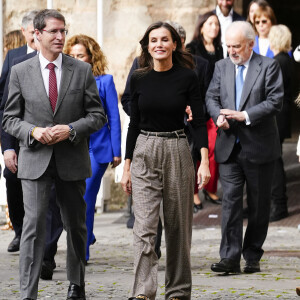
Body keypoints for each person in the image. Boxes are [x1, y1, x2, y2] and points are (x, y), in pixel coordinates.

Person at [2, 9, 106, 300]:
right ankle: (28, 293)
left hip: (72, 159)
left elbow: (98, 116)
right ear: (37, 34)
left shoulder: (81, 70)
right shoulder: (19, 71)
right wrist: (33, 132)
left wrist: (71, 129)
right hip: (34, 159)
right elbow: (9, 118)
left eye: (63, 31)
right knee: (33, 229)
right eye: (54, 31)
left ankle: (76, 284)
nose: (61, 36)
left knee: (75, 225)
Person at [121, 21, 210, 300]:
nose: (158, 44)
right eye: (153, 40)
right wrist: (127, 166)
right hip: (145, 149)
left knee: (177, 227)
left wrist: (204, 160)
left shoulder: (187, 77)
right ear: (147, 46)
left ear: (174, 44)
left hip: (177, 148)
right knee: (144, 227)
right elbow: (134, 124)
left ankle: (178, 291)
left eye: (164, 39)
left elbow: (199, 121)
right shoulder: (138, 77)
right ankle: (143, 292)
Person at [206, 21, 283, 274]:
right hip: (229, 147)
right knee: (229, 203)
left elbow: (275, 101)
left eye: (237, 46)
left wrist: (243, 115)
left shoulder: (269, 66)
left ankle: (252, 254)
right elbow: (211, 97)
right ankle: (229, 257)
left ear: (251, 44)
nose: (231, 51)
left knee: (259, 206)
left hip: (259, 147)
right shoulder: (221, 66)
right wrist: (218, 115)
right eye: (228, 46)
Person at [1, 34, 64, 281]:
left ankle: (47, 255)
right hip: (25, 145)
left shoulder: (71, 68)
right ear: (35, 35)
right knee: (30, 211)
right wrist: (8, 146)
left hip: (62, 150)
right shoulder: (16, 63)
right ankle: (22, 242)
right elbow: (6, 108)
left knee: (53, 207)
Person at [64, 34, 122, 263]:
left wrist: (117, 150)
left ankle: (81, 254)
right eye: (72, 56)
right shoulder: (64, 80)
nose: (76, 59)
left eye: (81, 55)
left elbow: (114, 118)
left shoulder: (104, 81)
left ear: (91, 58)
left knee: (85, 199)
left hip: (97, 150)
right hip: (72, 148)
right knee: (70, 201)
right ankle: (87, 234)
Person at [0, 10, 39, 254]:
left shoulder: (56, 56)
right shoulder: (13, 56)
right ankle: (20, 232)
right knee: (12, 179)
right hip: (16, 132)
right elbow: (3, 99)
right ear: (24, 32)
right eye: (33, 30)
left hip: (45, 132)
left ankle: (43, 241)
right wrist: (7, 146)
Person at [186, 11, 223, 209]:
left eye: (216, 24)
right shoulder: (192, 49)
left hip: (214, 104)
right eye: (210, 24)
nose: (214, 28)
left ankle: (209, 187)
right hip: (196, 106)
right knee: (194, 151)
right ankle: (193, 193)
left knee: (214, 150)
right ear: (201, 27)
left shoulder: (220, 49)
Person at [268, 24, 294, 222]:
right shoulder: (289, 60)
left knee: (275, 162)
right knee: (276, 160)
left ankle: (279, 205)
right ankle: (278, 203)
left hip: (277, 116)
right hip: (284, 115)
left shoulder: (277, 62)